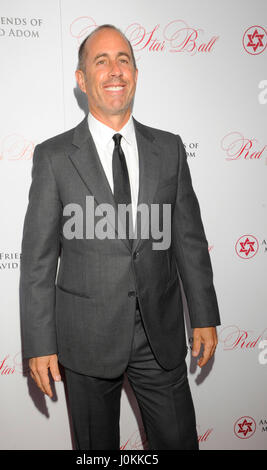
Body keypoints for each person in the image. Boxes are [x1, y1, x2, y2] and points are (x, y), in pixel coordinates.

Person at [19, 24, 221, 450]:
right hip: (85, 342)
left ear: (135, 72)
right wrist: (39, 343)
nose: (115, 70)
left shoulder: (169, 149)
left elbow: (188, 238)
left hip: (159, 336)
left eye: (123, 60)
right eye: (101, 61)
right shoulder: (54, 157)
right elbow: (37, 260)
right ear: (82, 79)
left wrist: (203, 314)